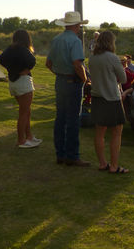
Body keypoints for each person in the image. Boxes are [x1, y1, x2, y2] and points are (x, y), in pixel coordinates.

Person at [46, 11, 90, 166]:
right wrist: (84, 79)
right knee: (73, 120)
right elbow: (77, 64)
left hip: (60, 80)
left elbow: (48, 63)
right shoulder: (75, 41)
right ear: (77, 25)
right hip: (73, 82)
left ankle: (61, 154)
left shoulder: (56, 39)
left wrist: (59, 73)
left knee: (60, 118)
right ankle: (72, 155)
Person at [88, 31, 129, 174]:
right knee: (116, 132)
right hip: (111, 98)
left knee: (99, 132)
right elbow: (123, 79)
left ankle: (102, 163)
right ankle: (114, 165)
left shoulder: (92, 58)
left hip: (97, 97)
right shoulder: (112, 58)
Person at [0, 29, 40, 148]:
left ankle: (29, 136)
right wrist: (25, 70)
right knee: (24, 112)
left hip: (13, 82)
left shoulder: (10, 49)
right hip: (23, 82)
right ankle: (21, 140)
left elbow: (0, 59)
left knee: (26, 111)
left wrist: (11, 69)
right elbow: (32, 61)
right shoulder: (23, 49)